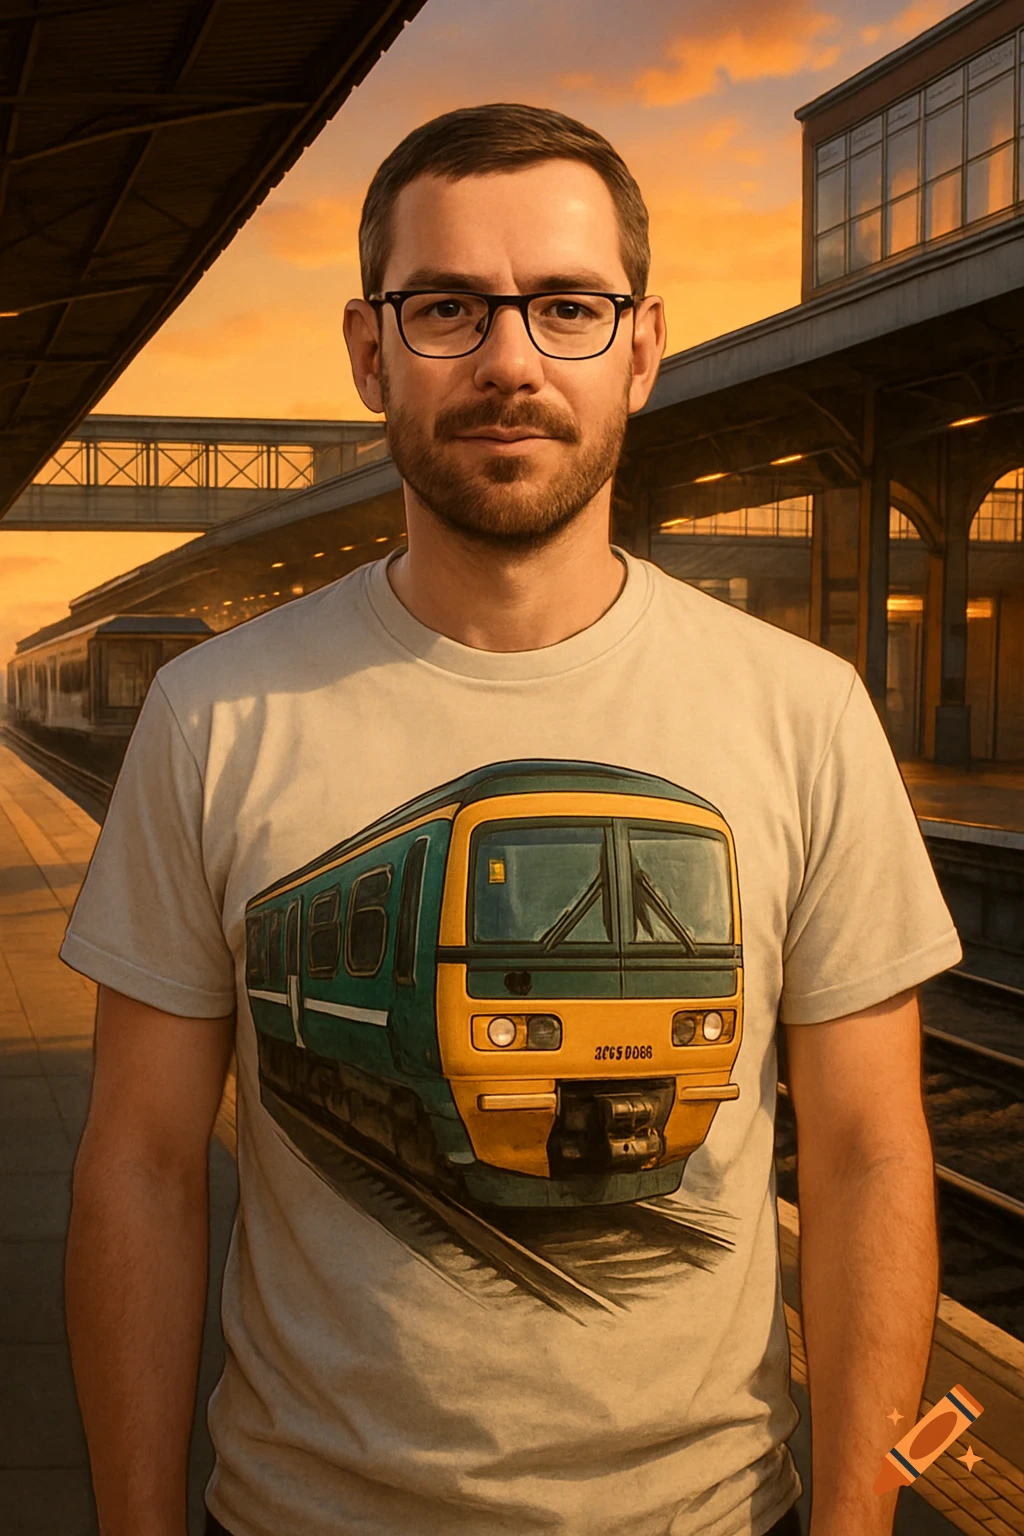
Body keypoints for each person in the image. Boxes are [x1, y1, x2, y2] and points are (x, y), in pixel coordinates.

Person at [62, 103, 962, 1536]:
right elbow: (144, 1166)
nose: (509, 361)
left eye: (564, 306)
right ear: (371, 350)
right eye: (448, 310)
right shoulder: (213, 713)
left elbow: (866, 1155)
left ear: (641, 346)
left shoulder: (805, 711)